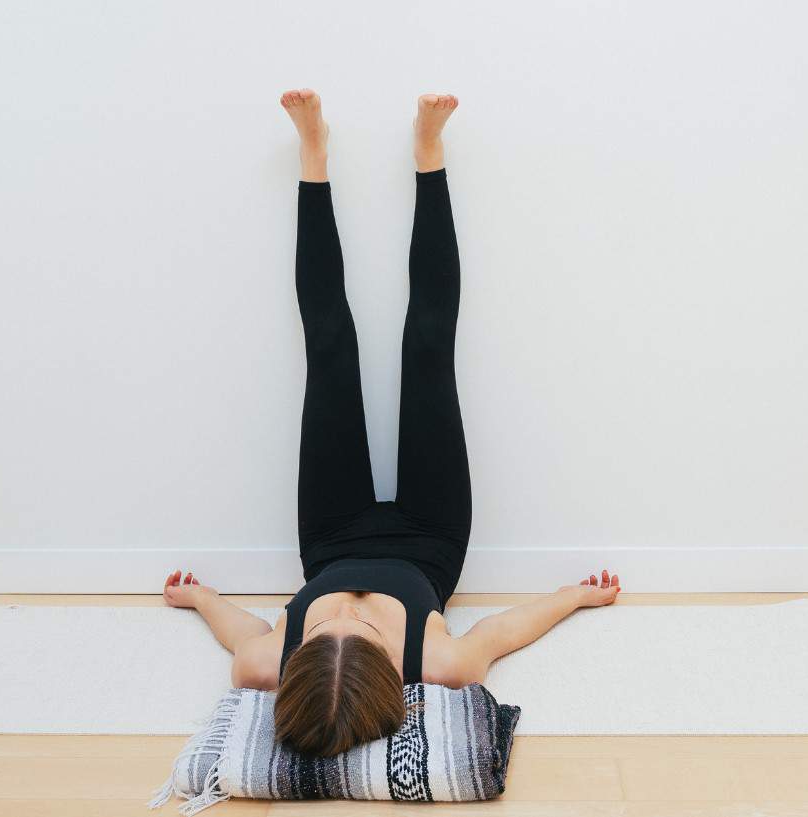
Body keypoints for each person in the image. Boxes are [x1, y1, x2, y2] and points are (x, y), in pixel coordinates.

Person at [161, 89, 621, 758]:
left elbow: (239, 631)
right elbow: (501, 628)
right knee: (429, 344)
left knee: (329, 346)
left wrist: (202, 598)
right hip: (430, 536)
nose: (346, 612)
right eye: (365, 633)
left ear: (294, 663)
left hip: (331, 533)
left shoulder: (260, 665)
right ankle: (429, 157)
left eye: (325, 631)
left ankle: (314, 156)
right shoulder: (442, 663)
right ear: (394, 671)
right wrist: (572, 597)